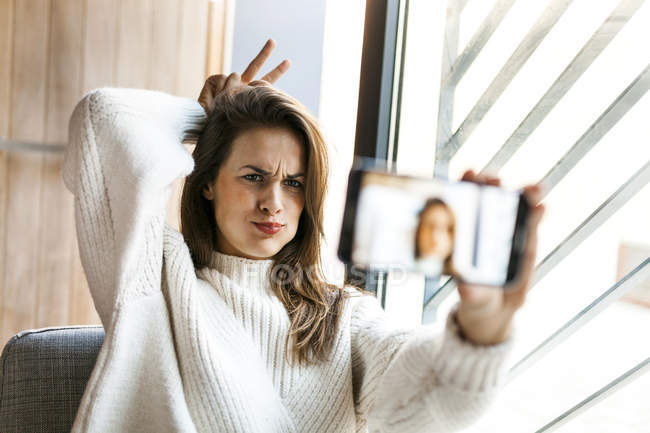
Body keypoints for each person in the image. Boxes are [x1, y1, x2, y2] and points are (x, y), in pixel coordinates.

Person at [62, 39, 545, 433]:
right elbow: (101, 120)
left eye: (294, 183)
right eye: (253, 176)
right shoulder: (158, 276)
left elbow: (432, 403)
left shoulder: (342, 317)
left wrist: (483, 317)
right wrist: (202, 119)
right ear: (207, 182)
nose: (274, 201)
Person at [413, 197, 456, 277]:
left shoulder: (465, 284)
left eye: (442, 228)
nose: (435, 235)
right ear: (418, 231)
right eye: (430, 226)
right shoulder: (402, 273)